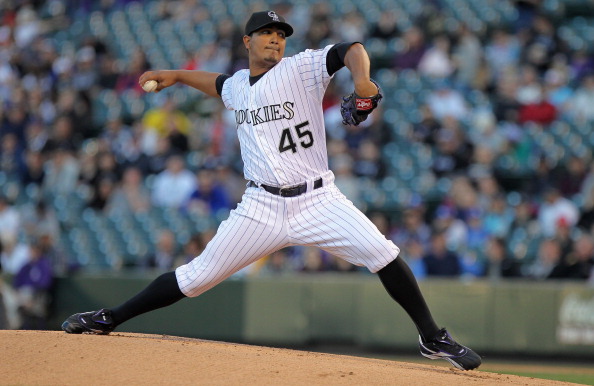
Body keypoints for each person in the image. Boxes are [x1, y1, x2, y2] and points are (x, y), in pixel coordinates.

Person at [61, 11, 481, 371]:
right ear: (248, 40)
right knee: (196, 277)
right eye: (268, 33)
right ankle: (109, 317)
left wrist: (364, 84)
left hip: (317, 198)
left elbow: (351, 48)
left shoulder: (299, 69)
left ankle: (432, 337)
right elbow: (219, 83)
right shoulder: (239, 86)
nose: (276, 40)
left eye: (281, 35)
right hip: (260, 205)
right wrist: (175, 76)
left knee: (384, 254)